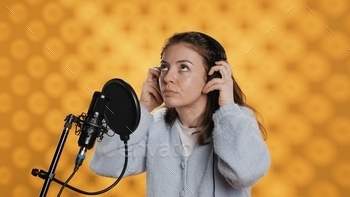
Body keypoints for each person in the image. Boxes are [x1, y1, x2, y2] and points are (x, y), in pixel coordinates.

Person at [89, 31, 270, 197]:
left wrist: (227, 109)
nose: (167, 78)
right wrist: (142, 109)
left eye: (183, 67)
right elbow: (107, 163)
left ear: (213, 76)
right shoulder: (155, 125)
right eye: (164, 67)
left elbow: (245, 174)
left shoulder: (238, 120)